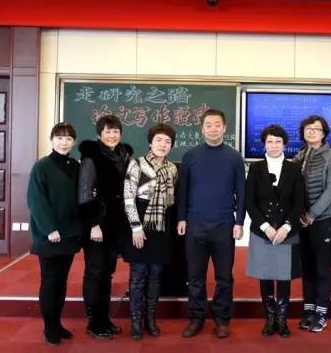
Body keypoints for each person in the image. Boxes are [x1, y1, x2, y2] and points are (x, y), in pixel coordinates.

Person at [176, 108, 245, 339]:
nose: (213, 129)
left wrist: (239, 221)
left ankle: (222, 319)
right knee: (195, 277)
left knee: (224, 277)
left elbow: (241, 192)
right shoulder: (190, 156)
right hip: (195, 225)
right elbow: (182, 190)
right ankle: (196, 318)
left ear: (224, 128)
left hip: (224, 225)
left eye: (217, 125)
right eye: (208, 125)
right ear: (202, 128)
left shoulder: (234, 157)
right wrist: (181, 218)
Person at [245, 124, 305, 338]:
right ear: (264, 144)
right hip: (262, 231)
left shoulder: (294, 169)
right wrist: (266, 227)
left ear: (284, 145)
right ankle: (270, 319)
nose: (274, 145)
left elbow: (299, 203)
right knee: (265, 275)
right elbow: (250, 202)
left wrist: (286, 227)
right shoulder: (255, 168)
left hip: (287, 231)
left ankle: (282, 319)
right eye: (269, 141)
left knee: (284, 276)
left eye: (278, 141)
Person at [78, 115, 133, 339]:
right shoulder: (91, 156)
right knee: (95, 272)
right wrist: (93, 224)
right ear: (99, 134)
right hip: (97, 224)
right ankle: (93, 322)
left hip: (115, 224)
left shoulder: (124, 154)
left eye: (115, 131)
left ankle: (104, 319)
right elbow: (84, 193)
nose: (112, 135)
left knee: (107, 273)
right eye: (107, 131)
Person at [27, 122, 81, 346]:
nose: (63, 142)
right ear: (51, 140)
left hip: (69, 234)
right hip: (48, 235)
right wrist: (50, 229)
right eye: (59, 137)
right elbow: (35, 200)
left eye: (68, 138)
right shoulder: (42, 166)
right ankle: (49, 327)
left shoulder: (76, 166)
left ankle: (57, 323)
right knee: (49, 281)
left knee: (61, 281)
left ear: (74, 142)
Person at [123, 123, 178, 340]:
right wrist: (136, 227)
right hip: (140, 224)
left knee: (156, 276)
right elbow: (128, 198)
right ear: (150, 142)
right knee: (138, 276)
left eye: (167, 141)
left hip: (162, 226)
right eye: (159, 140)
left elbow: (171, 200)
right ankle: (136, 321)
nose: (163, 145)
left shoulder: (172, 169)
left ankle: (151, 319)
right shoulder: (136, 164)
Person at [292, 115, 331, 332]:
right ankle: (309, 310)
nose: (312, 131)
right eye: (308, 128)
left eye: (316, 128)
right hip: (302, 222)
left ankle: (321, 313)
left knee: (322, 268)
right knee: (308, 268)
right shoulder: (300, 156)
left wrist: (311, 214)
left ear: (324, 133)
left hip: (323, 220)